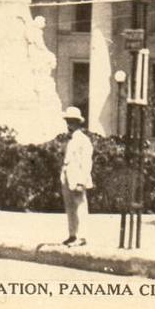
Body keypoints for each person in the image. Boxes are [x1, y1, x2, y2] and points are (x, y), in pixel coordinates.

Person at [60, 106, 94, 247]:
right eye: (68, 121)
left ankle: (82, 236)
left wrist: (81, 181)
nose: (69, 124)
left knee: (80, 206)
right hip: (68, 176)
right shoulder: (70, 139)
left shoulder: (83, 140)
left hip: (78, 177)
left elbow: (86, 162)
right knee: (70, 206)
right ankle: (72, 234)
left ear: (78, 122)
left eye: (72, 121)